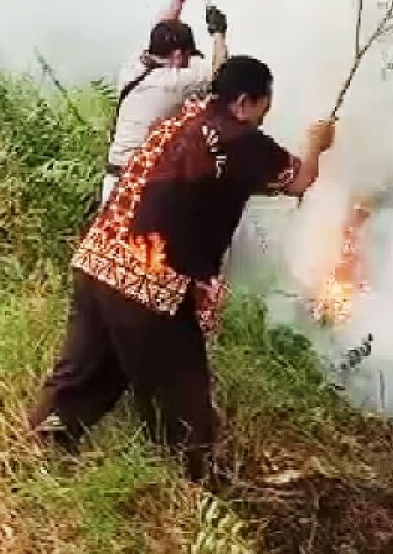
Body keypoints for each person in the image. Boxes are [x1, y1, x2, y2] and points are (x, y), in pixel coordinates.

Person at [29, 55, 335, 481]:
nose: (262, 119)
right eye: (263, 108)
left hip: (97, 259)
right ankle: (191, 492)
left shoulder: (184, 115)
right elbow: (299, 180)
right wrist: (317, 144)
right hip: (149, 282)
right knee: (182, 392)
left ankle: (40, 452)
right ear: (245, 102)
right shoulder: (241, 140)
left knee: (84, 371)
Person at [103, 0, 229, 204]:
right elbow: (220, 72)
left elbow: (160, 25)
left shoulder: (134, 65)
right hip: (140, 189)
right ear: (179, 54)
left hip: (113, 183)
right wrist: (219, 34)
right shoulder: (173, 83)